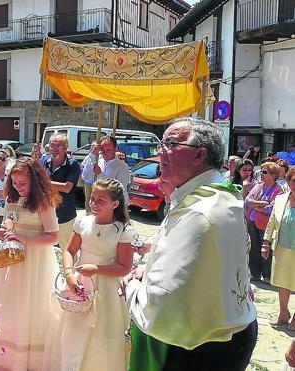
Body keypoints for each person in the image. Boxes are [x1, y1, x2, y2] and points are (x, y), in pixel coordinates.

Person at [119, 118, 257, 371]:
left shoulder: (199, 210)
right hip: (229, 329)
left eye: (170, 143)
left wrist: (133, 287)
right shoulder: (218, 195)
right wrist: (147, 268)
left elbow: (164, 306)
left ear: (199, 154)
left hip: (200, 347)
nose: (161, 151)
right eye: (161, 143)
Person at [0, 157, 61, 370]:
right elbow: (10, 224)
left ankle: (28, 359)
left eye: (23, 184)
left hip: (35, 262)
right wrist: (3, 233)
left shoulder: (44, 202)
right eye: (15, 183)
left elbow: (54, 237)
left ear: (35, 181)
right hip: (11, 260)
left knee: (29, 305)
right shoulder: (12, 198)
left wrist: (25, 240)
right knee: (7, 304)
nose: (19, 188)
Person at [44, 178, 135, 371]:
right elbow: (69, 251)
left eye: (100, 201)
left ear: (115, 204)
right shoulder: (82, 222)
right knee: (74, 330)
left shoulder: (123, 230)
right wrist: (69, 276)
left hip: (108, 289)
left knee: (102, 332)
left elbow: (125, 266)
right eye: (92, 198)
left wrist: (97, 269)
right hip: (81, 284)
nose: (93, 203)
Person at [262, 166, 295, 330]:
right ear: (288, 182)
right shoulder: (281, 199)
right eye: (294, 181)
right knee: (283, 281)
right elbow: (272, 223)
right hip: (282, 248)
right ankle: (283, 313)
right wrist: (265, 243)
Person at [38, 133, 81, 250]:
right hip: (45, 211)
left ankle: (69, 269)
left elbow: (67, 188)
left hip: (64, 214)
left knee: (67, 249)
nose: (55, 149)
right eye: (52, 145)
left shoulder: (73, 164)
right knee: (44, 248)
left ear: (66, 148)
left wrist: (43, 183)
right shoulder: (43, 160)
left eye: (59, 146)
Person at [246, 161, 283, 282]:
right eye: (261, 171)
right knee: (254, 247)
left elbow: (271, 207)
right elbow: (247, 200)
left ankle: (266, 275)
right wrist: (261, 204)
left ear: (273, 175)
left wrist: (256, 205)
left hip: (267, 224)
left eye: (265, 172)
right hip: (252, 220)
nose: (261, 174)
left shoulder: (278, 190)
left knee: (265, 247)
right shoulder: (258, 186)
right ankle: (255, 273)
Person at [94, 136, 131, 204]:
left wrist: (100, 174)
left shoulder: (123, 167)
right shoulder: (98, 161)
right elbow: (85, 177)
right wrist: (91, 154)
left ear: (115, 149)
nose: (105, 153)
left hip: (118, 204)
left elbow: (118, 189)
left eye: (108, 150)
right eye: (102, 150)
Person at [81, 143, 99, 214]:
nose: (93, 148)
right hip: (88, 181)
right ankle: (88, 212)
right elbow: (83, 166)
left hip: (97, 182)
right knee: (88, 198)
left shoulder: (100, 157)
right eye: (92, 147)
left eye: (95, 147)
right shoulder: (88, 157)